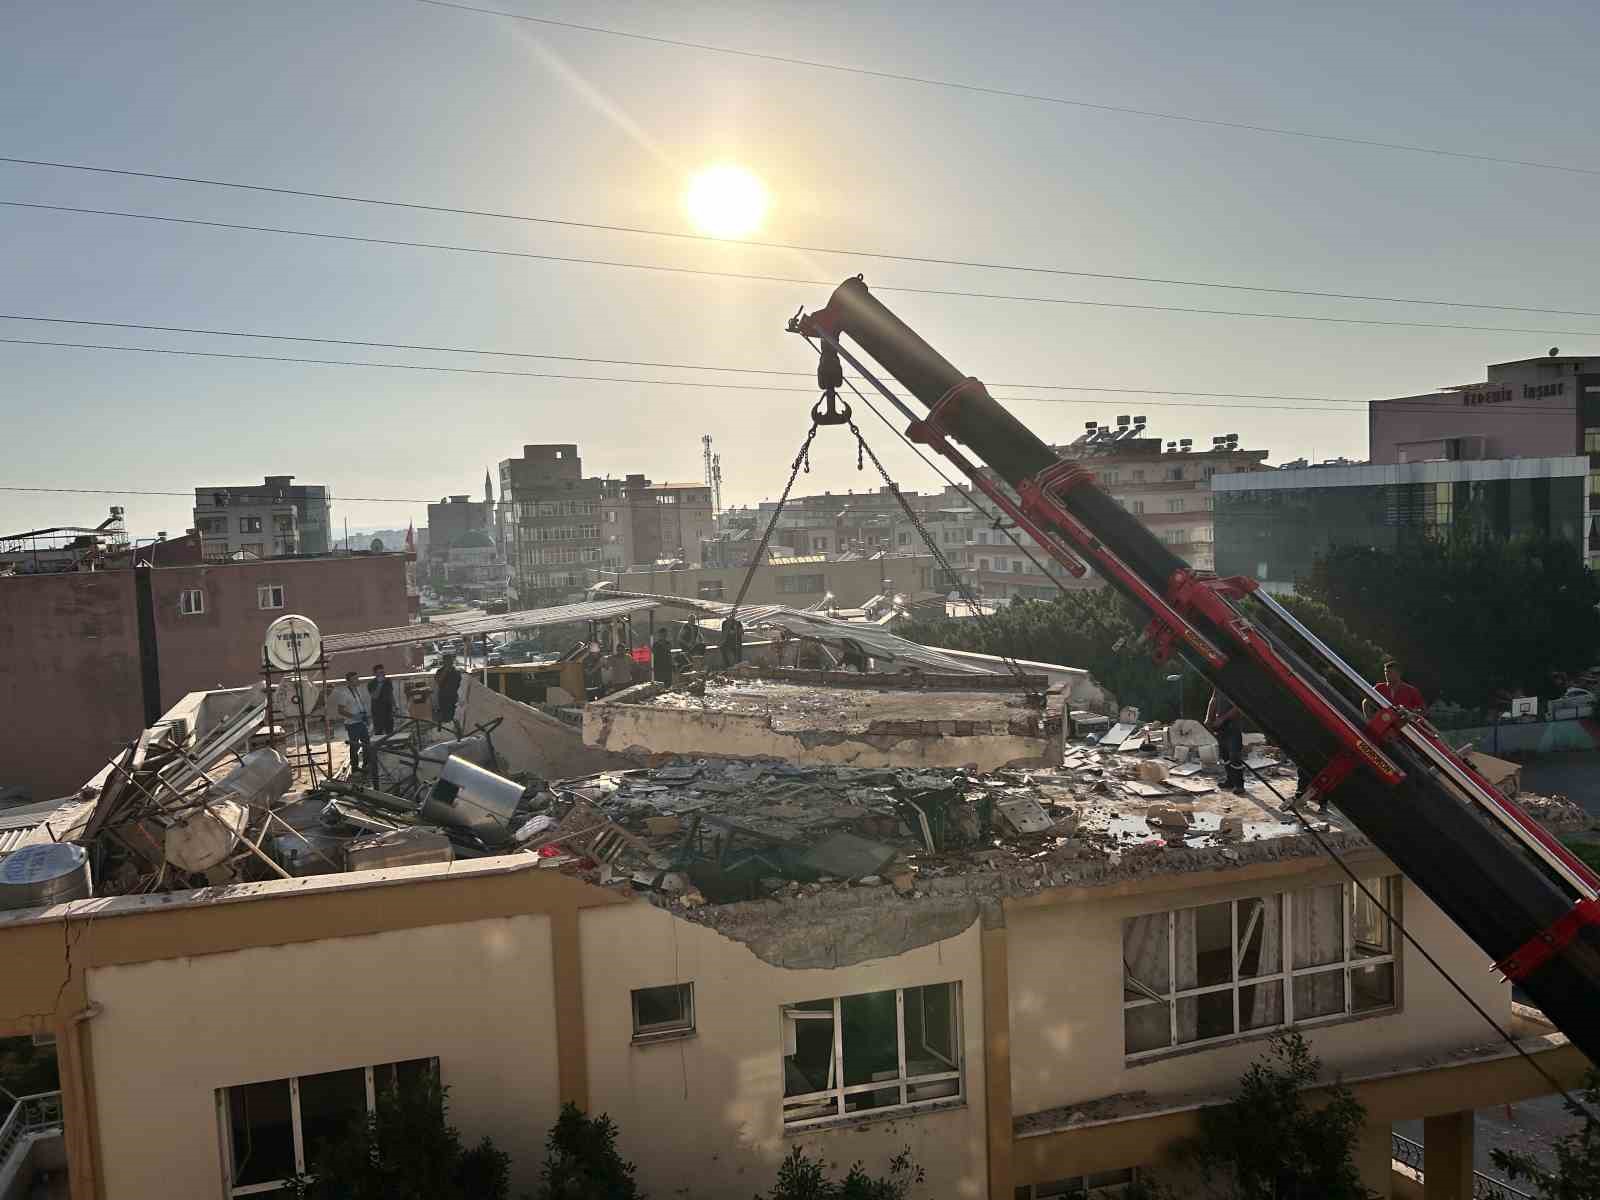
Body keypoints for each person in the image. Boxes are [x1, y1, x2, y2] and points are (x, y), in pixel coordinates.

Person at [334, 670, 374, 783]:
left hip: (361, 722)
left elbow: (359, 704)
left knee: (366, 743)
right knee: (355, 746)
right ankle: (355, 768)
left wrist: (365, 716)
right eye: (355, 679)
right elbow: (340, 710)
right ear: (349, 681)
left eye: (357, 678)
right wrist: (354, 716)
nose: (358, 680)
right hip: (352, 724)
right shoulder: (344, 693)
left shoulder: (357, 690)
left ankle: (366, 765)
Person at [1206, 686, 1246, 793]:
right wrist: (1208, 718)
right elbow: (1213, 700)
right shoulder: (1218, 683)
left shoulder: (1234, 684)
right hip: (1221, 726)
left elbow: (1238, 706)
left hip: (1233, 725)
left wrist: (1223, 719)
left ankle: (1239, 785)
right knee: (1225, 756)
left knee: (1234, 755)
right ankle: (1230, 781)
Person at [367, 663, 396, 737]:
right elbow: (375, 696)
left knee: (390, 731)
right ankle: (379, 747)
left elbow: (391, 694)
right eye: (380, 673)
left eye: (383, 672)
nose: (382, 674)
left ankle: (389, 747)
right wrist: (380, 684)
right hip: (378, 712)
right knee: (379, 732)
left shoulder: (388, 681)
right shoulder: (371, 683)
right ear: (375, 674)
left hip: (388, 710)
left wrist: (394, 706)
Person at [434, 652, 463, 725]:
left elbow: (460, 684)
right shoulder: (439, 671)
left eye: (450, 660)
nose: (449, 662)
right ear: (444, 662)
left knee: (454, 716)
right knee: (445, 717)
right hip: (444, 697)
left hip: (454, 697)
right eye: (447, 661)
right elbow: (439, 682)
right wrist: (445, 671)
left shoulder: (456, 671)